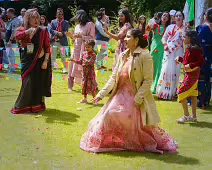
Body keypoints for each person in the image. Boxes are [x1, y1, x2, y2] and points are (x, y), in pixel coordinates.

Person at [80, 29, 177, 154]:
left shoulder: (145, 56)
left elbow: (148, 81)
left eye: (128, 37)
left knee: (128, 123)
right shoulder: (123, 55)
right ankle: (109, 141)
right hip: (119, 96)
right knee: (107, 115)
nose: (125, 39)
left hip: (135, 98)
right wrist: (101, 94)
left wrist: (138, 99)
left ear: (136, 40)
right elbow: (113, 78)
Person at [11, 9, 52, 114]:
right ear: (28, 19)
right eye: (33, 18)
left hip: (40, 62)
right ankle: (22, 107)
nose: (36, 20)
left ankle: (37, 106)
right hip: (27, 62)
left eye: (37, 18)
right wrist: (27, 32)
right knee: (27, 83)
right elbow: (17, 36)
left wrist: (45, 61)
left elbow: (47, 47)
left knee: (38, 84)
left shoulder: (43, 31)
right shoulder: (22, 29)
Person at [176, 30, 205, 123]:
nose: (183, 38)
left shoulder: (195, 49)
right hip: (190, 74)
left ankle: (186, 115)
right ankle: (194, 116)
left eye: (185, 37)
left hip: (192, 75)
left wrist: (191, 66)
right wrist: (180, 59)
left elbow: (201, 61)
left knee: (180, 92)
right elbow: (186, 61)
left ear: (190, 38)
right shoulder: (189, 48)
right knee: (193, 95)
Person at [156, 11, 185, 100]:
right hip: (168, 53)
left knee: (175, 71)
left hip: (178, 53)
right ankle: (162, 92)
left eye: (180, 16)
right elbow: (164, 38)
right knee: (165, 70)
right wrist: (165, 45)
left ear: (183, 18)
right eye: (176, 16)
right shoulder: (170, 27)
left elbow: (185, 43)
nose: (178, 17)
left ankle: (172, 93)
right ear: (174, 18)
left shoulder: (185, 29)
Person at [66, 10, 95, 92]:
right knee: (71, 66)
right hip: (76, 49)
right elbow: (75, 39)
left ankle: (91, 85)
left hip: (84, 50)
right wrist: (71, 36)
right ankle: (70, 86)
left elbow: (92, 38)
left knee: (85, 68)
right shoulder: (77, 26)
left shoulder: (90, 24)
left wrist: (81, 36)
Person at [147, 12, 171, 94]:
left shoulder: (169, 28)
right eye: (164, 15)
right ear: (161, 17)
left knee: (160, 67)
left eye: (167, 16)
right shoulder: (155, 26)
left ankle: (156, 87)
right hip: (154, 47)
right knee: (152, 66)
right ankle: (148, 85)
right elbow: (147, 30)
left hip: (163, 48)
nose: (164, 17)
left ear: (168, 19)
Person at [197, 8, 212, 107]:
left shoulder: (202, 27)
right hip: (210, 56)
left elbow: (198, 43)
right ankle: (206, 99)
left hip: (203, 55)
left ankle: (200, 100)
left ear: (205, 16)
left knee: (201, 77)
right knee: (208, 78)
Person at [50, 8, 69, 73]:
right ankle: (51, 68)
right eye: (59, 14)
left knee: (63, 56)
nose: (60, 15)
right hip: (54, 41)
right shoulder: (53, 21)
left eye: (61, 14)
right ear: (56, 14)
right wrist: (57, 33)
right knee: (53, 56)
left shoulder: (66, 22)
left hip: (62, 41)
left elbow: (66, 31)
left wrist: (62, 33)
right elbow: (51, 30)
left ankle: (64, 68)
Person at [5, 8, 22, 73]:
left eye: (7, 13)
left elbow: (14, 32)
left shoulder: (15, 21)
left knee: (11, 55)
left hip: (12, 42)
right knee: (9, 55)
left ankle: (12, 69)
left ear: (11, 13)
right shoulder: (12, 20)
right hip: (9, 41)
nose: (6, 14)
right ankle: (11, 68)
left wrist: (10, 40)